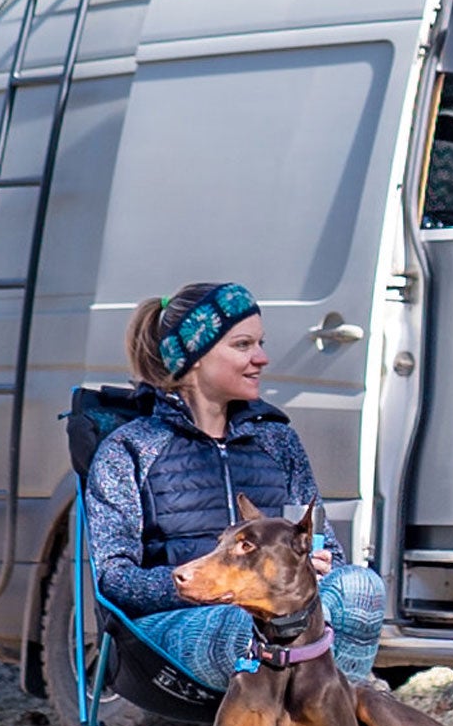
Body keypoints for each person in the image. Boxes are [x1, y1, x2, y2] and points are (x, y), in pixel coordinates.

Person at [83, 281, 386, 690]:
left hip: (278, 616)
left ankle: (334, 717)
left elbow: (324, 546)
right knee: (245, 619)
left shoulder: (277, 440)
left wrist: (316, 562)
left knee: (362, 585)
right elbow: (115, 579)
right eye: (243, 345)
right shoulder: (131, 448)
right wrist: (205, 585)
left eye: (260, 343)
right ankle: (333, 718)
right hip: (171, 631)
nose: (261, 358)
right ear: (192, 358)